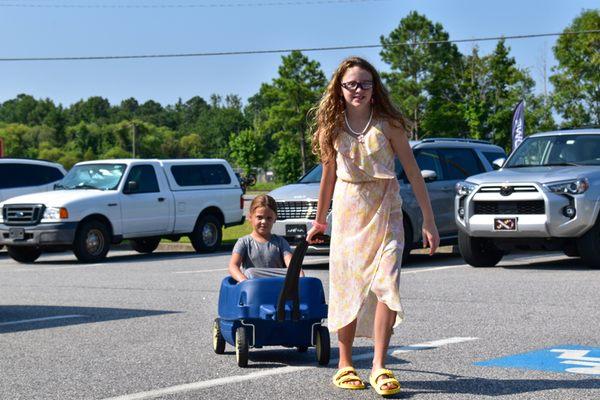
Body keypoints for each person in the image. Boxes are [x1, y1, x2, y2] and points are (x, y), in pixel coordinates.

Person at [306, 56, 440, 396]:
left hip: (387, 209)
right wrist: (320, 220)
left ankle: (380, 365)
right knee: (349, 287)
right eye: (351, 84)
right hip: (349, 211)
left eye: (365, 83)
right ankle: (346, 364)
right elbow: (327, 177)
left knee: (387, 285)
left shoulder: (389, 124)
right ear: (340, 88)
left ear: (374, 87)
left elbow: (412, 172)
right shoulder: (331, 127)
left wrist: (429, 219)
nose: (358, 90)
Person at [229, 194, 302, 282]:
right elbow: (233, 266)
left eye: (269, 218)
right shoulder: (244, 242)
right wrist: (244, 281)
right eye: (259, 217)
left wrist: (301, 278)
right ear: (250, 217)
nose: (264, 222)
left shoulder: (281, 242)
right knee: (250, 273)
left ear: (275, 218)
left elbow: (292, 266)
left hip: (277, 288)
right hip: (254, 288)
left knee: (294, 272)